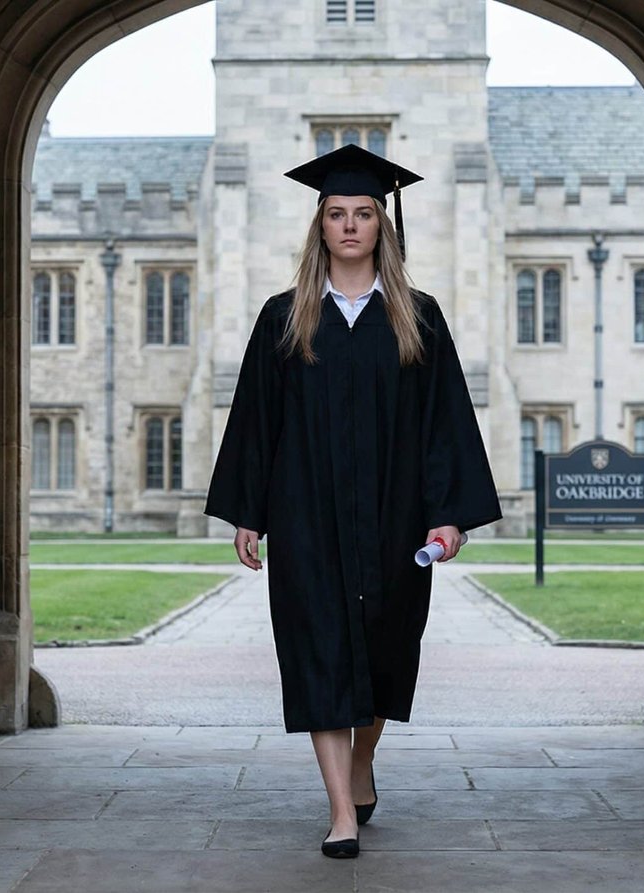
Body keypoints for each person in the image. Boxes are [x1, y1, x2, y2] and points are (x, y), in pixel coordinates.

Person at [204, 145, 501, 859]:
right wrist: (250, 513)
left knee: (384, 656)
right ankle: (341, 810)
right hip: (307, 520)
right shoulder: (286, 319)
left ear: (381, 226)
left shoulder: (417, 319)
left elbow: (444, 422)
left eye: (363, 213)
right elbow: (256, 421)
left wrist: (449, 512)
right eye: (336, 213)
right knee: (319, 656)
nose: (349, 225)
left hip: (396, 519)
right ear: (320, 226)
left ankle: (363, 760)